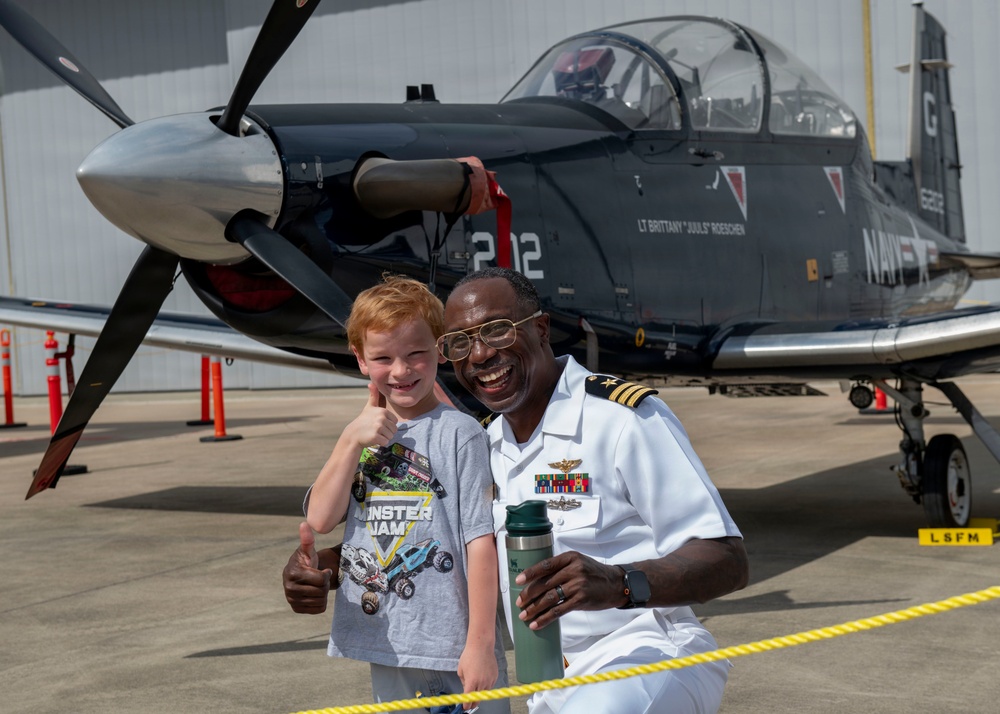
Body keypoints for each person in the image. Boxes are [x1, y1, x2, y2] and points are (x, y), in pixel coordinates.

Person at [285, 268, 749, 714]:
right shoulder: (482, 443)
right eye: (462, 342)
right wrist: (325, 568)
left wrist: (620, 583)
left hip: (645, 651)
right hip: (545, 680)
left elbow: (727, 559)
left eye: (499, 331)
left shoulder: (622, 420)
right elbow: (427, 536)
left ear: (542, 328)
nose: (481, 355)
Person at [295, 274, 509, 713]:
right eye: (382, 357)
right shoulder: (360, 436)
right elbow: (321, 518)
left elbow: (480, 543)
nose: (401, 370)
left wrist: (482, 645)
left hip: (455, 647)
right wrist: (350, 440)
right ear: (359, 359)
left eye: (416, 353)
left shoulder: (460, 434)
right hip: (388, 644)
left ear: (440, 348)